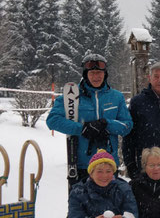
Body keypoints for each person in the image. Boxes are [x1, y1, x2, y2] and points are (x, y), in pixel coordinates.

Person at [47, 53, 133, 185]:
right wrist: (82, 128)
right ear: (85, 74)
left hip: (109, 165)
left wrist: (105, 124)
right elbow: (53, 120)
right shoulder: (72, 95)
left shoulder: (116, 97)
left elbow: (127, 126)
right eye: (92, 73)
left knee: (109, 205)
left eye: (99, 73)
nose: (96, 77)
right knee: (82, 204)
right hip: (82, 164)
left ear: (105, 74)